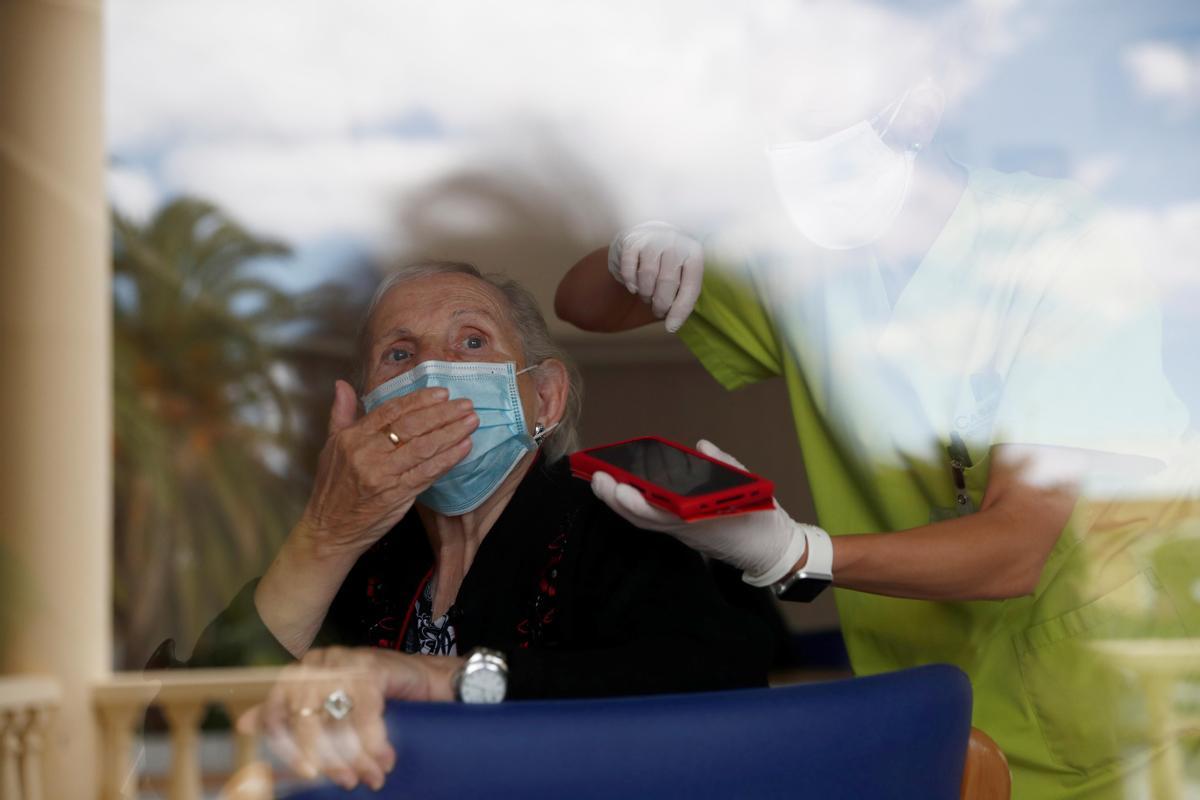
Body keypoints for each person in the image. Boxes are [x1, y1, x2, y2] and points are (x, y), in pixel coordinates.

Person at [556, 81, 1194, 800]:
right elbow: (580, 307)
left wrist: (792, 554)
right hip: (927, 699)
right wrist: (635, 247)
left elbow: (1017, 548)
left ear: (918, 102)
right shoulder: (792, 255)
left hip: (1118, 700)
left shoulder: (1068, 251)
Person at [176, 261, 770, 792]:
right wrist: (326, 536)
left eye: (472, 340)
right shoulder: (371, 554)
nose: (436, 369)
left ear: (545, 398)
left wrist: (444, 679)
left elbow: (719, 684)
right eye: (401, 355)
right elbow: (194, 723)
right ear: (364, 413)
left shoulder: (615, 515)